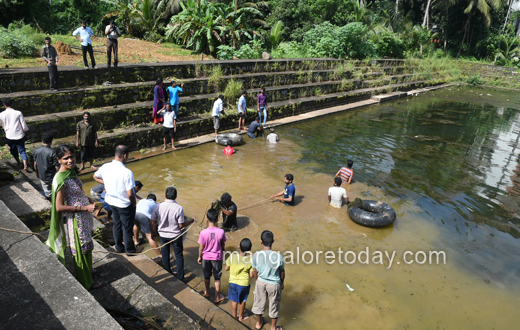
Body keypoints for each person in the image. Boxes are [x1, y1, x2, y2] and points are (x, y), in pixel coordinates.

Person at [46, 145, 103, 290]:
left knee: (88, 246)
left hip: (84, 217)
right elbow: (59, 207)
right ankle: (86, 283)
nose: (70, 160)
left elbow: (76, 193)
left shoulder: (70, 173)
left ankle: (88, 269)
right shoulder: (61, 179)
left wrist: (88, 199)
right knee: (81, 249)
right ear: (58, 160)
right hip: (76, 219)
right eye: (66, 158)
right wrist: (84, 207)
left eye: (72, 157)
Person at [93, 145, 142, 255]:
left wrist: (108, 183)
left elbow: (95, 177)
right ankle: (130, 250)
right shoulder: (127, 172)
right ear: (125, 156)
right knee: (127, 227)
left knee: (117, 225)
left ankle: (119, 248)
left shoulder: (105, 166)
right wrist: (134, 204)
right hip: (124, 204)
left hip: (111, 202)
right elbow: (130, 194)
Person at [151, 186, 195, 281]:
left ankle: (168, 272)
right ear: (176, 196)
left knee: (165, 254)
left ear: (165, 195)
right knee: (178, 255)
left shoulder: (158, 206)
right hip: (175, 236)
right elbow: (181, 225)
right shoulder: (179, 208)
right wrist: (191, 221)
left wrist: (153, 232)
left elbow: (152, 221)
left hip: (162, 235)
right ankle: (180, 277)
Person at [251, 230, 285, 330]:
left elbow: (255, 271)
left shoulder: (256, 255)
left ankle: (258, 323)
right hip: (274, 284)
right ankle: (273, 327)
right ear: (273, 241)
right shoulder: (278, 256)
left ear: (261, 241)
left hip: (261, 281)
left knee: (259, 302)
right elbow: (282, 272)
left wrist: (257, 281)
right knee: (274, 305)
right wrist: (282, 283)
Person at [198, 208, 226, 303]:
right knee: (217, 277)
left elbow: (201, 247)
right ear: (217, 219)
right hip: (217, 257)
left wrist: (199, 257)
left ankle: (207, 292)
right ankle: (217, 297)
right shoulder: (221, 232)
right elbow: (222, 245)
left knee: (207, 276)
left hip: (206, 257)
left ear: (207, 219)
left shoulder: (203, 233)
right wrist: (222, 251)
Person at [225, 238, 254, 322]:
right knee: (242, 300)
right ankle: (241, 317)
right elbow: (251, 275)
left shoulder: (232, 256)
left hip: (232, 282)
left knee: (234, 300)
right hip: (244, 284)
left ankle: (234, 317)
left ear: (239, 246)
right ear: (249, 250)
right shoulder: (250, 260)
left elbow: (226, 268)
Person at [0, 98, 30, 172]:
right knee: (22, 150)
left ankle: (19, 163)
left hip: (9, 135)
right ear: (12, 104)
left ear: (4, 105)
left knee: (13, 150)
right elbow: (24, 126)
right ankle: (25, 165)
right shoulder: (18, 113)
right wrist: (26, 134)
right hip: (19, 134)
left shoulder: (1, 114)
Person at [134, 194, 161, 261]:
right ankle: (160, 255)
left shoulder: (142, 200)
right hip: (143, 216)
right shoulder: (156, 204)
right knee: (150, 237)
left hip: (134, 213)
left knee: (136, 225)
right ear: (155, 200)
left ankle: (136, 241)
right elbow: (156, 218)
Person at [33, 132, 60, 199]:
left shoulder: (36, 151)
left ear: (42, 140)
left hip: (42, 176)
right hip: (52, 176)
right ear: (51, 141)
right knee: (57, 193)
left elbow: (35, 164)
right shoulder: (52, 152)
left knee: (48, 193)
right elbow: (57, 167)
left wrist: (37, 173)